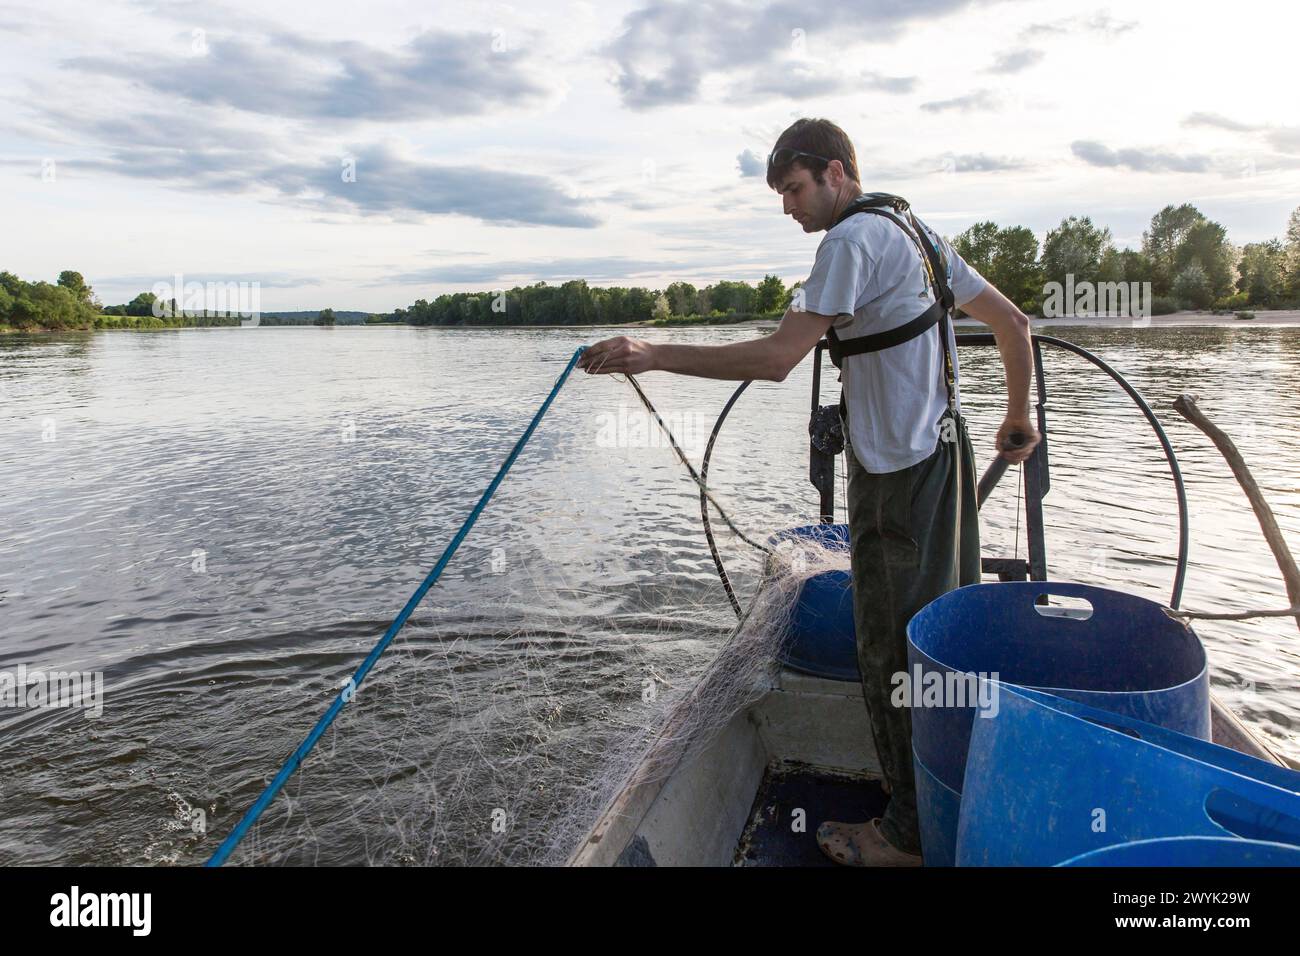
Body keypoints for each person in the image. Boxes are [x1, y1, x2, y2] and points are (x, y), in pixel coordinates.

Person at [578, 117, 1039, 866]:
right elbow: (1014, 325)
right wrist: (1018, 417)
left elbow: (778, 357)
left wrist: (650, 352)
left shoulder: (851, 241)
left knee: (894, 649)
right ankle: (946, 801)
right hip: (944, 464)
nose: (789, 207)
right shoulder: (916, 231)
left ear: (835, 173)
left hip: (896, 477)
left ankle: (907, 838)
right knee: (942, 641)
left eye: (794, 190)